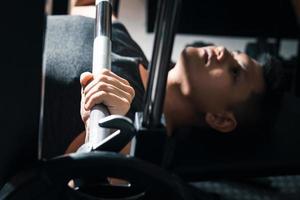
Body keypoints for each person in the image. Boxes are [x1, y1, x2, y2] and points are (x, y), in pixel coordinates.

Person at [65, 12, 288, 153]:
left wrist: (96, 132)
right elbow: (82, 5)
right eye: (232, 52)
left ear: (220, 119)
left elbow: (69, 186)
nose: (221, 51)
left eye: (235, 72)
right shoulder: (123, 39)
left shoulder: (127, 137)